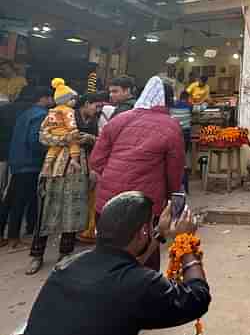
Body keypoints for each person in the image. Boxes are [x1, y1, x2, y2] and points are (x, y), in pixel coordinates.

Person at [23, 191, 210, 335]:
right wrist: (185, 241)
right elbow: (198, 297)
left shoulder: (68, 265)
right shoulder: (141, 284)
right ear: (143, 232)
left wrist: (159, 234)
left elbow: (125, 265)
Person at [90, 76, 185, 271]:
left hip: (108, 203)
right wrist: (171, 199)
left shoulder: (118, 120)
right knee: (145, 261)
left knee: (106, 257)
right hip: (144, 207)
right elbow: (174, 174)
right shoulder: (171, 126)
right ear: (168, 101)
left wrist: (114, 177)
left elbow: (96, 161)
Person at [28, 83, 93, 275]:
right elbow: (43, 137)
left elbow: (96, 140)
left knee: (72, 212)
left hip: (77, 171)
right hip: (53, 170)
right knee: (46, 211)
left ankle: (65, 253)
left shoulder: (87, 120)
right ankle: (36, 255)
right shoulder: (53, 115)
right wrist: (67, 139)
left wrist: (86, 138)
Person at [0, 87, 52, 251]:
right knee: (20, 201)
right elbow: (35, 140)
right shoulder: (41, 115)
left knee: (10, 198)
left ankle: (4, 235)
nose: (53, 101)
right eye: (51, 98)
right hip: (30, 164)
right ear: (44, 98)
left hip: (17, 161)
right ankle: (14, 238)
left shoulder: (26, 113)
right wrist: (49, 150)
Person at [75, 94, 103, 244]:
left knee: (87, 196)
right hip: (72, 163)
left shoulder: (93, 121)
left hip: (89, 162)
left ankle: (84, 230)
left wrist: (91, 139)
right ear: (86, 104)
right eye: (95, 106)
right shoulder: (71, 118)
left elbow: (99, 142)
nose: (97, 110)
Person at [41, 78, 81, 176]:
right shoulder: (68, 110)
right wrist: (74, 131)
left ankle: (47, 165)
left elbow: (44, 124)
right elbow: (70, 121)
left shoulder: (52, 110)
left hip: (53, 132)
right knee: (74, 144)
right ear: (66, 100)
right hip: (65, 133)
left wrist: (46, 129)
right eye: (72, 99)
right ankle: (74, 160)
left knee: (53, 148)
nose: (74, 102)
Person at [170, 91, 193, 194]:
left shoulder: (172, 105)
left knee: (175, 159)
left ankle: (176, 186)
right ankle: (184, 186)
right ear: (188, 98)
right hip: (185, 134)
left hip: (173, 133)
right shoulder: (189, 105)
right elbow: (201, 108)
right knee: (183, 159)